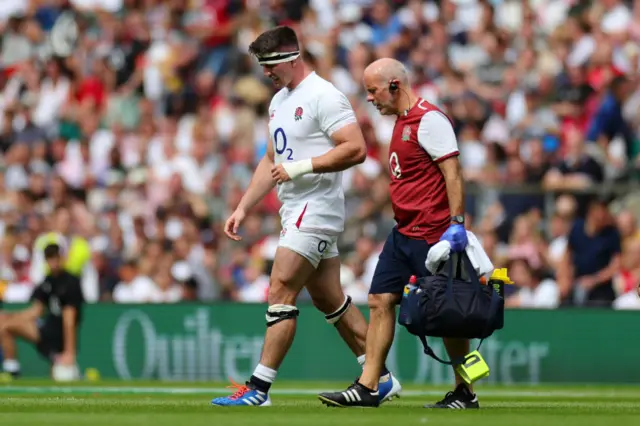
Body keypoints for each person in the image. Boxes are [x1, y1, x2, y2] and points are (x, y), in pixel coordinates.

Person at [212, 26, 401, 407]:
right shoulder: (279, 101)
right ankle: (379, 377)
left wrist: (301, 168)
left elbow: (356, 148)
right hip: (294, 209)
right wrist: (244, 206)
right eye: (262, 66)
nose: (266, 73)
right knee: (330, 299)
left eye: (271, 65)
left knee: (281, 288)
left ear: (292, 58)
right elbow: (271, 159)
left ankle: (258, 389)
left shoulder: (324, 96)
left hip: (316, 209)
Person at [318, 58, 475, 408]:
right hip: (403, 231)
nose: (370, 99)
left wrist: (457, 224)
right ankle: (370, 385)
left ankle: (466, 390)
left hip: (433, 234)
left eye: (372, 91)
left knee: (448, 315)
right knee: (379, 300)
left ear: (393, 85)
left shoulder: (429, 120)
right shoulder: (402, 121)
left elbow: (453, 173)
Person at [0, 243, 84, 378]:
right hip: (45, 331)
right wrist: (10, 316)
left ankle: (65, 363)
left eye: (55, 257)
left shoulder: (70, 282)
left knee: (62, 378)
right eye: (49, 258)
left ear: (62, 258)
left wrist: (70, 351)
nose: (53, 262)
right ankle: (12, 370)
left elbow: (70, 320)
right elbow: (36, 311)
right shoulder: (47, 281)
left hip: (60, 335)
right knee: (4, 324)